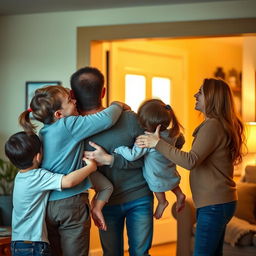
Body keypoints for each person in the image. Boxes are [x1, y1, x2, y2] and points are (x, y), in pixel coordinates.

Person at [136, 78, 245, 256]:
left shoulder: (213, 125)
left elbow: (190, 161)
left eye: (200, 92)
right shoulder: (215, 125)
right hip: (219, 202)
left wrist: (157, 144)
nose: (195, 95)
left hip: (215, 204)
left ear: (212, 98)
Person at [19, 85, 127, 256]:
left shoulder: (43, 132)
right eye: (70, 100)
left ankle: (97, 207)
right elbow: (106, 119)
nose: (75, 101)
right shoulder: (68, 125)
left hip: (47, 205)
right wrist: (117, 104)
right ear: (59, 115)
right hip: (71, 204)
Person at [71, 66, 153, 256]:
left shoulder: (69, 130)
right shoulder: (72, 128)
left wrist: (111, 160)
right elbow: (151, 161)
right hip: (109, 203)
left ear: (73, 94)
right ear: (103, 92)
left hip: (135, 198)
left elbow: (149, 160)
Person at [5, 131, 97, 256]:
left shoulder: (19, 177)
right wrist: (91, 167)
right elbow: (68, 181)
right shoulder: (37, 176)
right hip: (34, 244)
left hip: (17, 242)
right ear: (38, 157)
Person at [114, 99, 186, 219]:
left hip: (156, 173)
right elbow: (180, 142)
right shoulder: (172, 134)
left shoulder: (146, 139)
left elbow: (132, 156)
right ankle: (179, 195)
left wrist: (120, 149)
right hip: (168, 169)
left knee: (156, 187)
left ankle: (162, 202)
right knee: (172, 182)